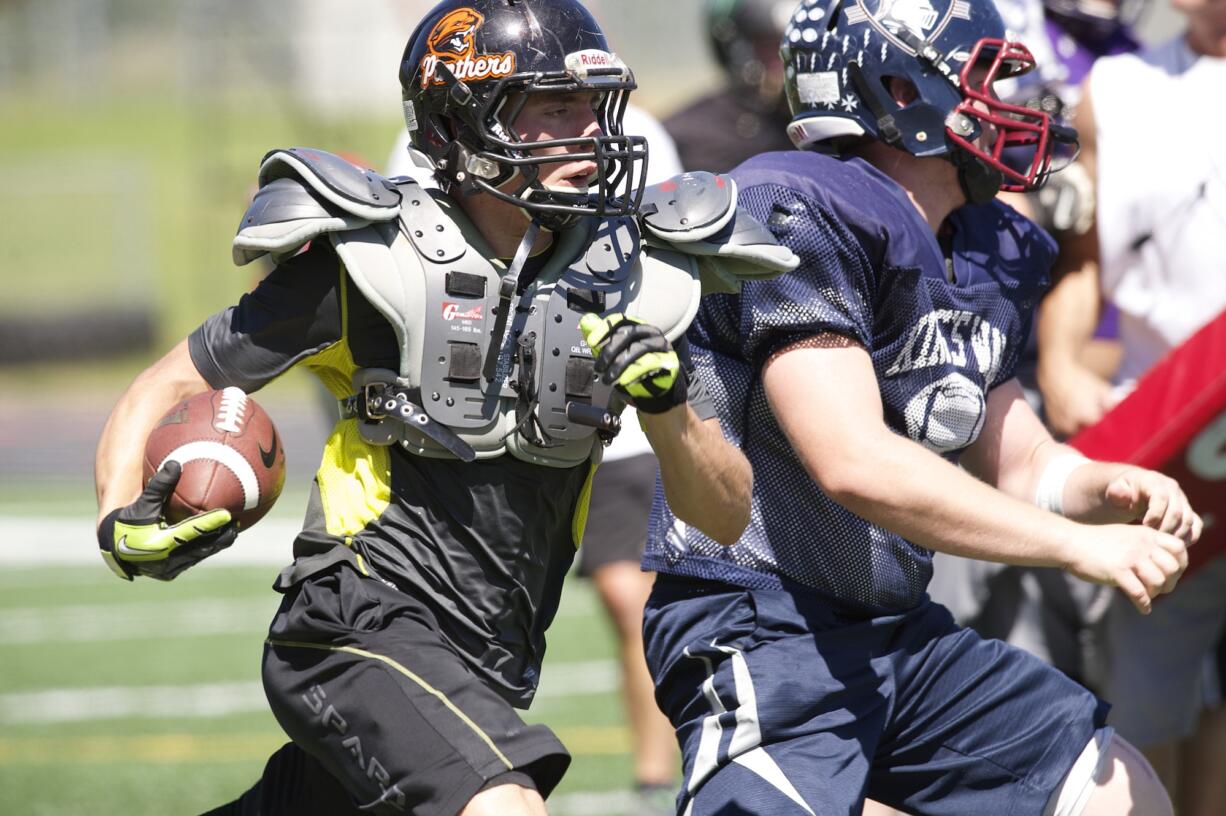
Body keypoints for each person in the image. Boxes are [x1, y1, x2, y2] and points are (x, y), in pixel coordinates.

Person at [92, 2, 797, 814]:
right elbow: (164, 387)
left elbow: (723, 514)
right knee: (502, 804)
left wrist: (668, 405)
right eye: (554, 107)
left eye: (593, 106)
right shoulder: (371, 263)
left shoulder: (641, 274)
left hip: (485, 659)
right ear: (460, 123)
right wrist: (119, 522)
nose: (592, 135)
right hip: (352, 626)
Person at [639, 1, 1201, 814]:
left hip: (894, 626)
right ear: (899, 86)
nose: (1018, 102)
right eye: (988, 79)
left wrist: (1103, 488)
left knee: (1119, 791)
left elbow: (1019, 461)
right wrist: (1076, 548)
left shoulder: (982, 242)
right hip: (763, 620)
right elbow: (854, 463)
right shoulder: (801, 206)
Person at [385, 103, 687, 813]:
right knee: (462, 621)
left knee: (627, 592)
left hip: (599, 408)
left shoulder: (637, 126)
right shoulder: (428, 147)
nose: (585, 128)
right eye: (555, 108)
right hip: (469, 426)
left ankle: (652, 777)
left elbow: (663, 262)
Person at [1036, 1, 1226, 811]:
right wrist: (1062, 366)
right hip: (1177, 446)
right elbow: (1080, 264)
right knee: (1153, 703)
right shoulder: (1114, 90)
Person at [664, 0, 796, 173]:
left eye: (796, 44)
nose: (788, 56)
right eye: (770, 44)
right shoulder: (693, 136)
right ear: (737, 47)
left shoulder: (824, 126)